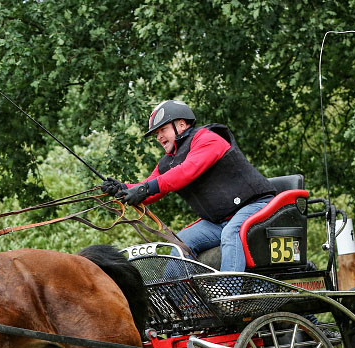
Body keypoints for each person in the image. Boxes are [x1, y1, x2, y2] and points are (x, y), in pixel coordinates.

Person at [101, 100, 276, 273]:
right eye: (156, 133)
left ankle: (229, 291)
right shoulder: (167, 162)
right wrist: (122, 188)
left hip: (256, 206)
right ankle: (174, 291)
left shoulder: (207, 138)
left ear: (182, 125)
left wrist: (144, 189)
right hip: (220, 221)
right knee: (182, 242)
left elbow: (185, 172)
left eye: (163, 129)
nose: (159, 137)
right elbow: (150, 187)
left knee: (232, 233)